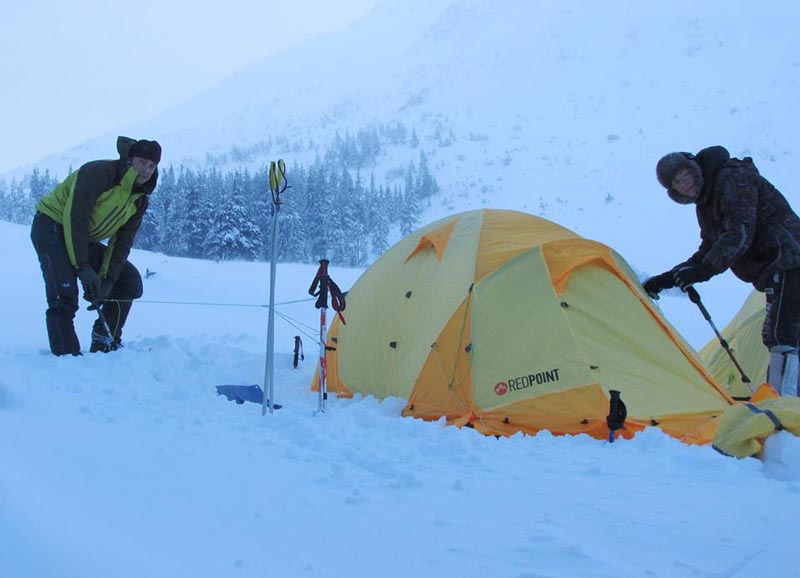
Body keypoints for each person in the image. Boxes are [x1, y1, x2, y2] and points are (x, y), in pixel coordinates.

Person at [642, 145, 800, 397]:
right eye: (676, 183)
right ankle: (785, 402)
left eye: (684, 175)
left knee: (782, 335)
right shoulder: (705, 202)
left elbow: (739, 232)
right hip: (774, 268)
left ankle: (784, 407)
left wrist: (703, 270)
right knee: (781, 335)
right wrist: (669, 278)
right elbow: (710, 246)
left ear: (693, 168)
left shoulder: (731, 177)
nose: (683, 184)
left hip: (789, 258)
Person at [30, 136, 161, 355]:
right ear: (129, 159)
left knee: (127, 280)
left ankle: (104, 341)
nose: (146, 169)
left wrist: (107, 281)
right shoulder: (99, 173)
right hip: (52, 226)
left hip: (83, 238)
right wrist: (83, 268)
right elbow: (75, 218)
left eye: (152, 165)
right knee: (65, 296)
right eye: (141, 162)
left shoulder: (139, 199)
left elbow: (121, 243)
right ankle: (66, 357)